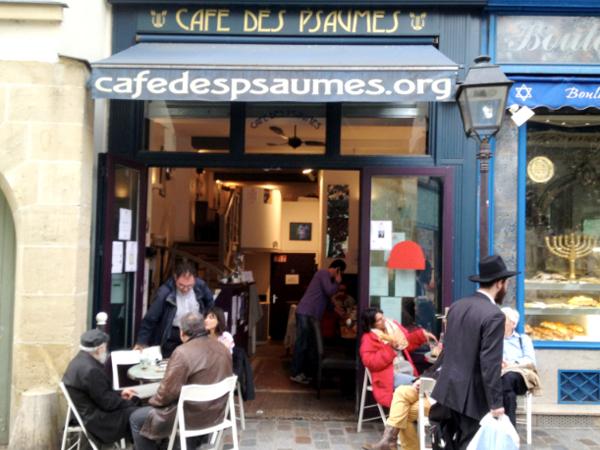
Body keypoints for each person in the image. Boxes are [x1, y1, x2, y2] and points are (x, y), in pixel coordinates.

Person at [430, 254, 518, 449]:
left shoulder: (457, 306)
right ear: (499, 283)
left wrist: (428, 375)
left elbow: (448, 349)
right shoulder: (494, 315)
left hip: (447, 391)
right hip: (472, 397)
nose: (507, 287)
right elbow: (489, 363)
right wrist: (496, 403)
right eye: (506, 283)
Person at [129, 311, 232, 450]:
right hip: (215, 414)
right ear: (204, 328)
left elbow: (166, 393)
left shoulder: (182, 352)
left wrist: (148, 401)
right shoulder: (223, 348)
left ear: (182, 332)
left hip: (188, 417)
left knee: (136, 418)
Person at [62, 329, 139, 446]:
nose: (106, 351)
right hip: (97, 421)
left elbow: (101, 394)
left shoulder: (78, 361)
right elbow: (107, 403)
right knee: (138, 413)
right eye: (105, 347)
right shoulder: (91, 370)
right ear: (100, 349)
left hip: (87, 413)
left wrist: (120, 394)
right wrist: (128, 402)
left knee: (134, 406)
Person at [134, 259, 214, 358]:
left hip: (196, 333)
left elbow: (211, 304)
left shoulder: (200, 286)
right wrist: (141, 342)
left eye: (189, 286)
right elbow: (151, 318)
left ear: (195, 280)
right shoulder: (164, 293)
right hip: (172, 335)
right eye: (181, 285)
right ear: (175, 277)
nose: (185, 289)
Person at [359, 307, 435, 408]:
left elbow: (406, 342)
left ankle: (416, 417)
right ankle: (422, 417)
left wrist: (422, 335)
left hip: (405, 369)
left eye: (383, 317)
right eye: (379, 320)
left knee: (425, 385)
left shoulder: (392, 327)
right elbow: (371, 362)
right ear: (371, 324)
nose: (384, 320)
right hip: (389, 376)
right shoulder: (368, 338)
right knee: (422, 385)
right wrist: (390, 348)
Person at [362, 356, 443, 450]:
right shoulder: (449, 348)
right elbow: (433, 369)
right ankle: (389, 441)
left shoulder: (459, 350)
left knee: (403, 413)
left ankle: (390, 442)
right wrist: (420, 380)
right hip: (426, 387)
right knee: (401, 391)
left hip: (441, 398)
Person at [290, 259, 346, 384]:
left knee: (310, 345)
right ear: (338, 270)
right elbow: (329, 291)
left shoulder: (325, 279)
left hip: (309, 315)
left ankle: (305, 373)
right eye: (341, 273)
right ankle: (295, 373)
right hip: (305, 313)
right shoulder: (323, 273)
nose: (340, 276)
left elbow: (328, 302)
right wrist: (337, 283)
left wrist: (340, 312)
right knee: (302, 343)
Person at [501, 306, 540, 427]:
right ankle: (509, 429)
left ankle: (505, 426)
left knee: (508, 378)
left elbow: (530, 360)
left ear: (513, 324)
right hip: (498, 376)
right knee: (507, 392)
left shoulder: (523, 339)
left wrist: (512, 364)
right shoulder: (491, 339)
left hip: (519, 377)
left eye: (503, 319)